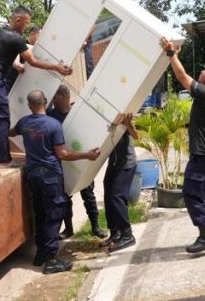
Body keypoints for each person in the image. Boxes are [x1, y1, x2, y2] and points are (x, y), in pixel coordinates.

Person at [10, 90, 99, 274]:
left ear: (29, 106)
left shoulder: (24, 122)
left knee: (40, 215)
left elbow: (10, 132)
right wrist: (87, 155)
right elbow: (62, 154)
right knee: (54, 216)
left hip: (33, 175)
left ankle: (40, 255)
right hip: (50, 177)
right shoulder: (53, 124)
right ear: (45, 101)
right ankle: (51, 260)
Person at [159, 37, 205, 253]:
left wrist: (171, 54)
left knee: (192, 192)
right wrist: (176, 55)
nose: (202, 71)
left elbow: (182, 76)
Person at [0, 5, 71, 167]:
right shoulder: (15, 38)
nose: (27, 26)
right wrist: (56, 67)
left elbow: (11, 52)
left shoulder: (3, 31)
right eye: (26, 23)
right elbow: (32, 61)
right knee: (2, 120)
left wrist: (15, 64)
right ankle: (5, 159)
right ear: (18, 19)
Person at [47, 85, 107, 240]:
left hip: (81, 159)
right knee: (66, 198)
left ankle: (95, 226)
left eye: (56, 97)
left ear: (64, 97)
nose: (53, 100)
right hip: (62, 162)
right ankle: (68, 229)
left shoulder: (78, 114)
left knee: (88, 195)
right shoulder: (50, 116)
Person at [100, 113, 139, 252]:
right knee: (108, 195)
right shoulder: (104, 117)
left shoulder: (123, 116)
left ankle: (127, 234)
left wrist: (127, 124)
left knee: (117, 196)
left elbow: (136, 136)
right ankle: (115, 233)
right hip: (114, 163)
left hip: (126, 164)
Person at [5, 25, 41, 90]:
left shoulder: (38, 50)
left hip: (25, 85)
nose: (41, 38)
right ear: (32, 34)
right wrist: (17, 65)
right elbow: (15, 60)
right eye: (39, 35)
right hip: (11, 82)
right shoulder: (21, 43)